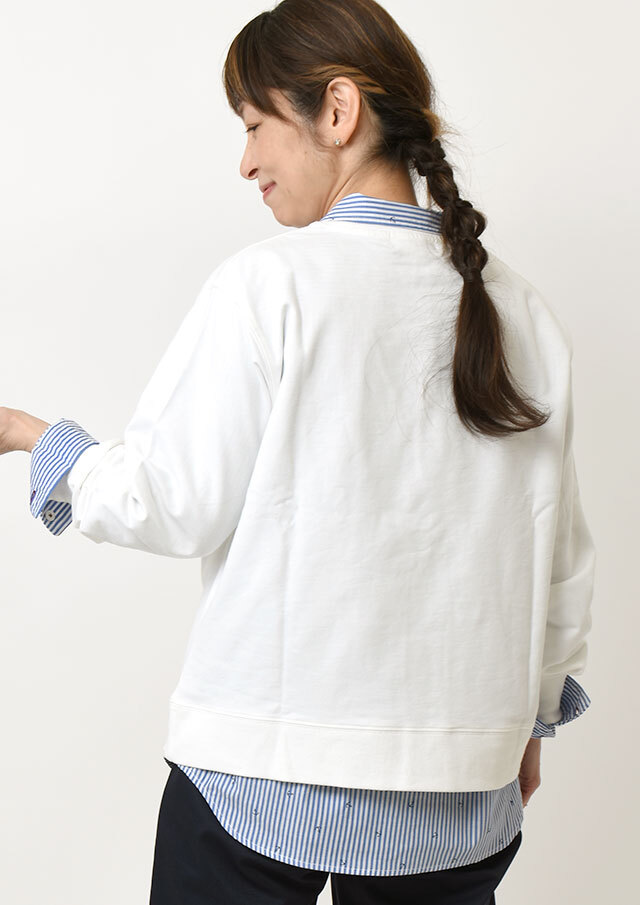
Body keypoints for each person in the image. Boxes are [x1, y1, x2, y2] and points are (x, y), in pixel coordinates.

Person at [1, 0, 596, 902]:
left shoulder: (270, 287)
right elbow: (561, 559)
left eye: (254, 125)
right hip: (463, 789)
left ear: (338, 110)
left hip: (264, 767)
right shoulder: (524, 313)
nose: (245, 162)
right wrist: (530, 720)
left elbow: (167, 500)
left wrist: (30, 435)